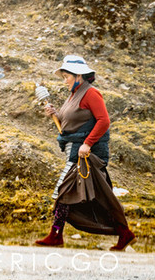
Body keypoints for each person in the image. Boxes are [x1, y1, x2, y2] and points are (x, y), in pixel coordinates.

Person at [35, 54, 136, 251]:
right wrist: (54, 114)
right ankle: (124, 233)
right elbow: (70, 124)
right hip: (76, 151)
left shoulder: (90, 93)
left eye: (66, 76)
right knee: (101, 195)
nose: (64, 81)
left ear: (78, 76)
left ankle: (56, 235)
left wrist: (87, 144)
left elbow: (104, 121)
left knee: (63, 191)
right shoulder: (74, 94)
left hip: (87, 154)